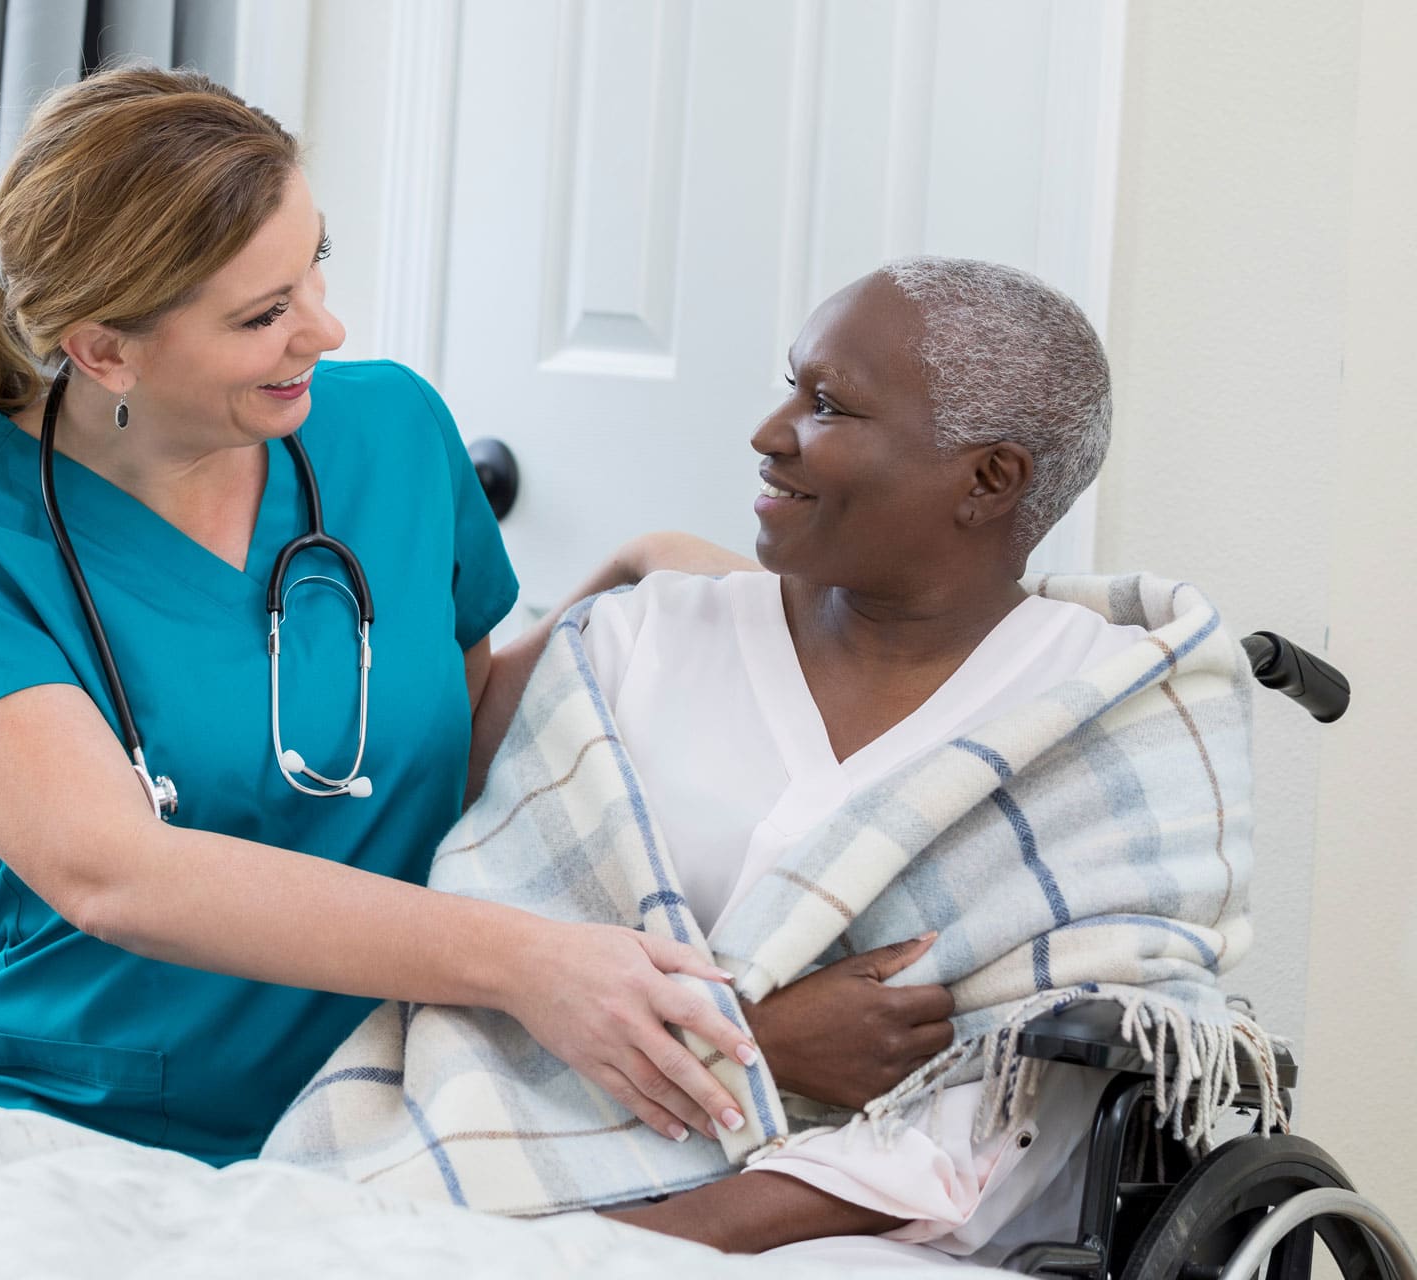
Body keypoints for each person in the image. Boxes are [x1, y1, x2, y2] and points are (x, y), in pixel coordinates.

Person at [0, 67, 949, 1169]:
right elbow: (114, 871)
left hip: (402, 1119)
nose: (328, 327)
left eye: (316, 263)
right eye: (266, 314)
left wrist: (626, 596)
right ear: (104, 347)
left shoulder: (393, 430)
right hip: (97, 1136)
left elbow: (448, 739)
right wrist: (533, 963)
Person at [468, 257, 1136, 1259]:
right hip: (547, 1163)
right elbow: (492, 951)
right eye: (791, 382)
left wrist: (608, 1249)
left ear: (989, 478)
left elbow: (1012, 1118)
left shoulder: (1098, 710)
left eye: (826, 404)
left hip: (898, 1234)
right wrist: (752, 1041)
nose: (769, 431)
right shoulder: (641, 637)